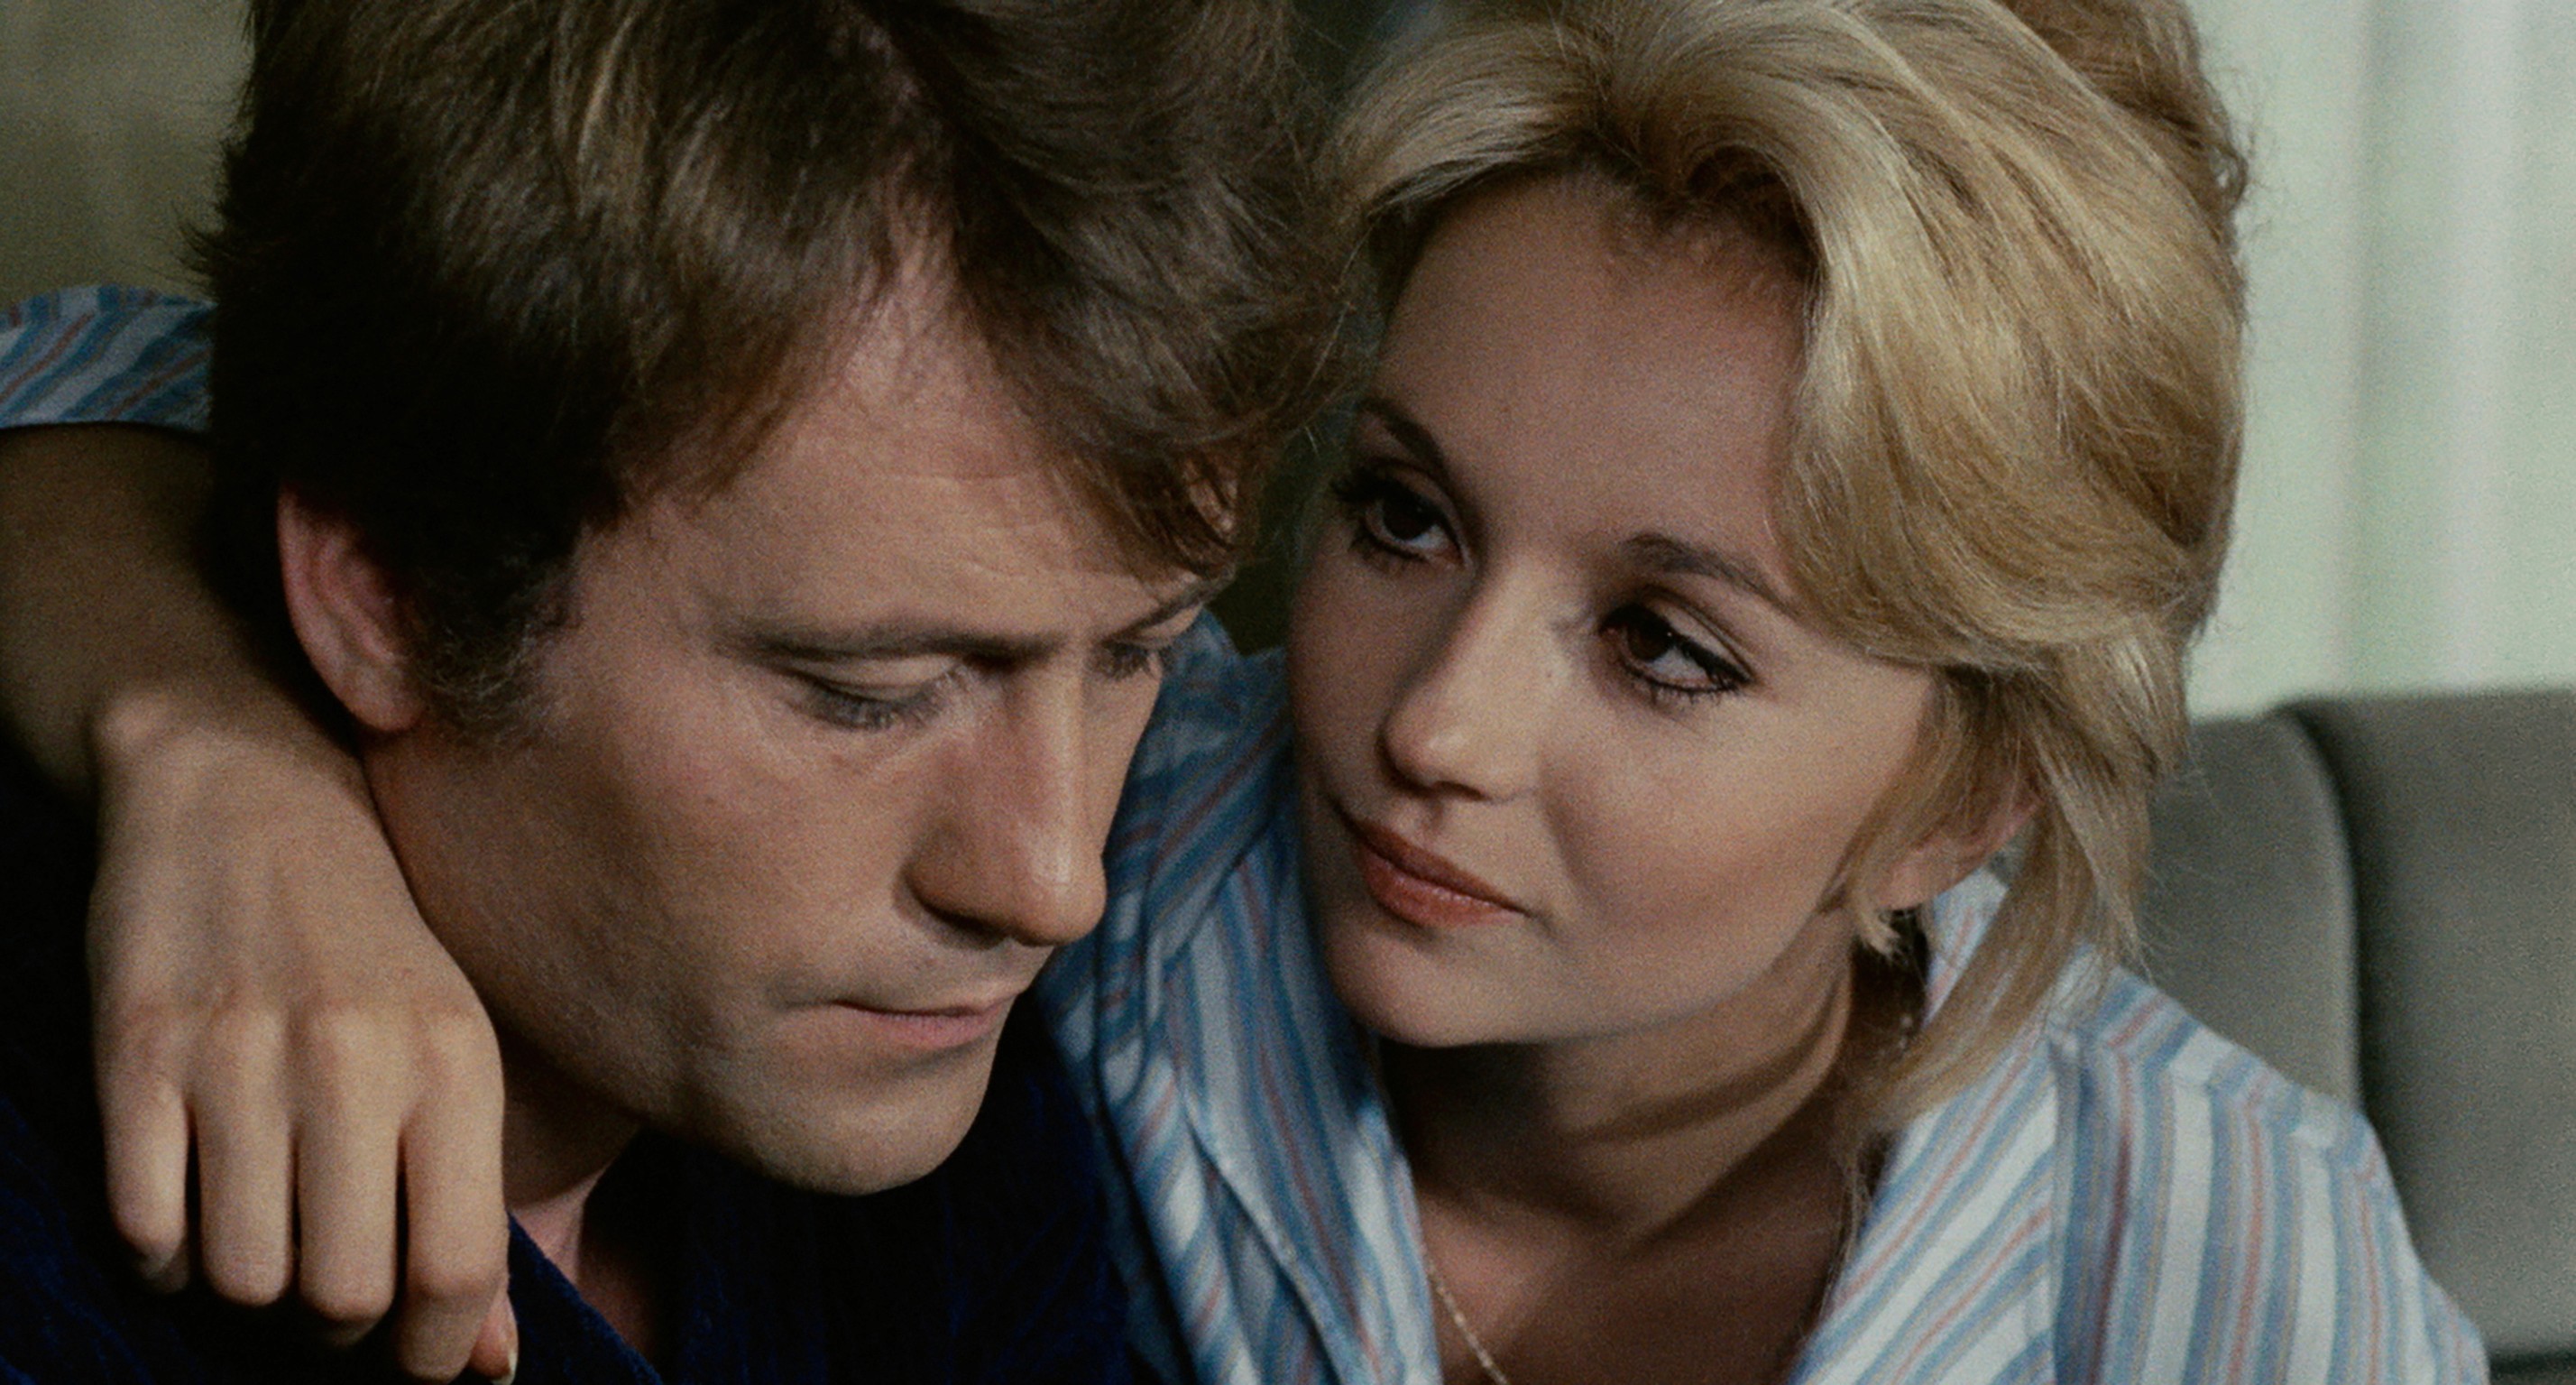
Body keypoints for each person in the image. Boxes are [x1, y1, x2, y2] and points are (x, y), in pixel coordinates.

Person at [0, 0, 2488, 1383]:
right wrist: (208, 751)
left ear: (1965, 802)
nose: (1430, 729)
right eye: (1399, 516)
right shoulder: (1148, 849)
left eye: (1664, 645)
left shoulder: (2234, 1268)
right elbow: (192, 383)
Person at [0, 0, 1339, 1380]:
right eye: (870, 693)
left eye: (1136, 653)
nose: (1054, 884)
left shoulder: (955, 1136)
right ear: (387, 593)